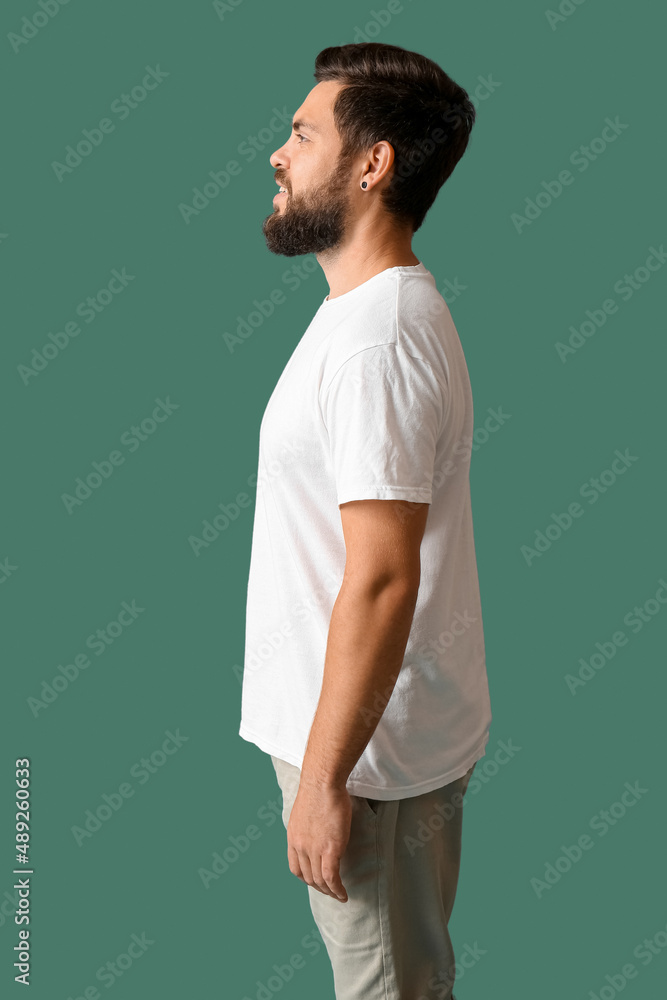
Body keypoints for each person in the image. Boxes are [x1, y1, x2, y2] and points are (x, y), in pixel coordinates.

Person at [239, 42, 492, 1000]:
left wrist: (323, 782)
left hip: (364, 762)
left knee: (390, 987)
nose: (278, 152)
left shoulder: (376, 342)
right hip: (363, 743)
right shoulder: (362, 315)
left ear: (371, 164)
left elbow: (384, 577)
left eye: (303, 133)